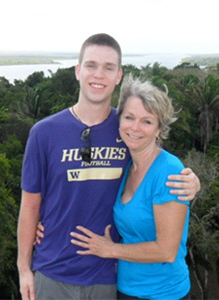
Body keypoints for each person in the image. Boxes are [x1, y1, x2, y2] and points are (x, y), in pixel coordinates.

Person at [17, 33, 200, 300]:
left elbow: (159, 165)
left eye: (108, 68)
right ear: (78, 71)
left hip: (106, 276)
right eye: (91, 65)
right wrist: (24, 268)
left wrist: (192, 183)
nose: (98, 75)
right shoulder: (44, 133)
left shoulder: (127, 128)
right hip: (52, 271)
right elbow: (30, 204)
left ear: (119, 76)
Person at [70, 74, 191, 300]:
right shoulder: (126, 164)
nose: (135, 128)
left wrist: (110, 249)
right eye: (129, 117)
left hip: (164, 293)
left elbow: (167, 250)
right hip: (126, 289)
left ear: (159, 129)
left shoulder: (169, 171)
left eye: (147, 121)